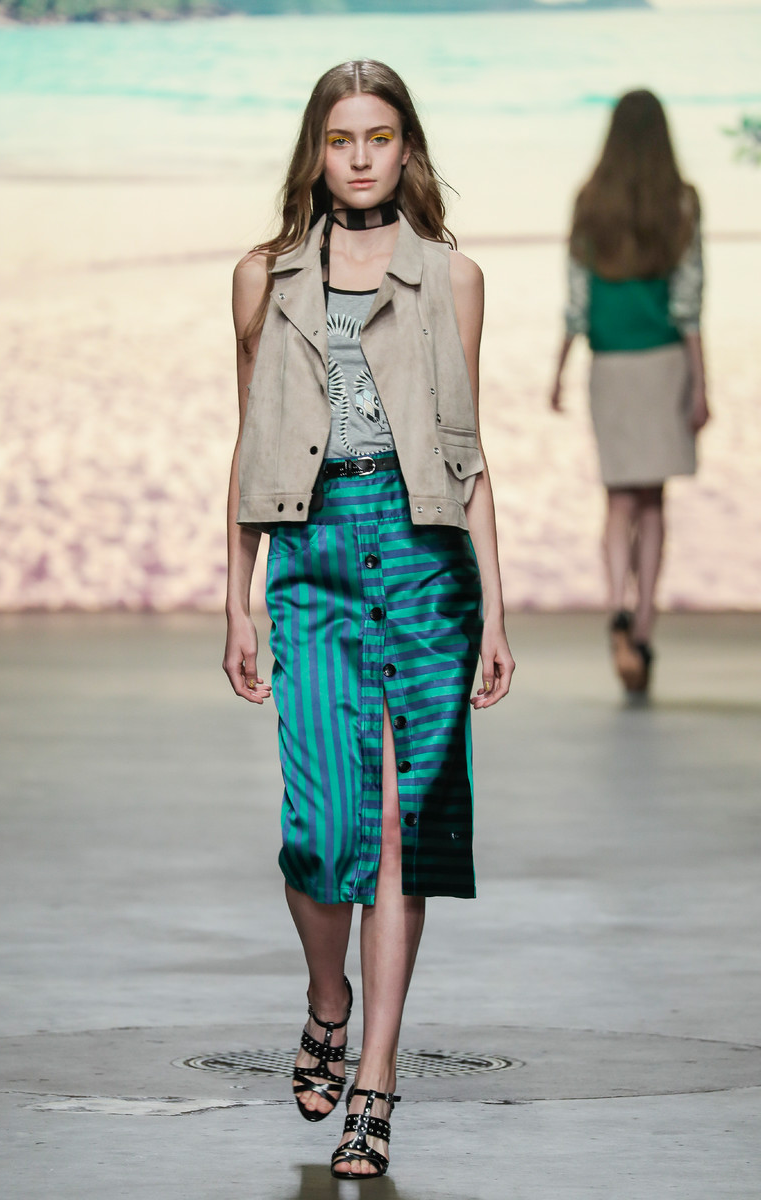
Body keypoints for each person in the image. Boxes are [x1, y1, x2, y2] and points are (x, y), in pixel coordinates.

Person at [222, 60, 514, 1180]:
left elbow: (468, 453)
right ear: (315, 149)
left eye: (378, 137)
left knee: (404, 826)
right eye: (340, 137)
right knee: (318, 825)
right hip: (311, 551)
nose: (358, 156)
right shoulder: (264, 278)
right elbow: (249, 446)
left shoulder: (453, 278)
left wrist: (494, 612)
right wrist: (236, 597)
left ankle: (376, 1076)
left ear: (406, 149)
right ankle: (327, 1000)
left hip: (424, 548)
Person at [550, 89, 709, 694]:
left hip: (610, 364)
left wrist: (559, 369)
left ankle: (615, 603)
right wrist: (701, 384)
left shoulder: (590, 201)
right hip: (664, 362)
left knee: (617, 499)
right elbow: (689, 301)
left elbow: (577, 300)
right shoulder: (682, 201)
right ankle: (642, 627)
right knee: (653, 502)